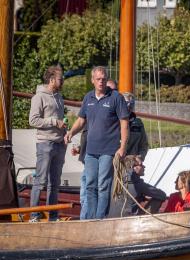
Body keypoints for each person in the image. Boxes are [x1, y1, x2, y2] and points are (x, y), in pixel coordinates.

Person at [65, 66, 129, 219]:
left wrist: (123, 147)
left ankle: (100, 219)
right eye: (98, 79)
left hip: (108, 150)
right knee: (90, 185)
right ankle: (91, 219)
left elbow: (124, 123)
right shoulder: (88, 98)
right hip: (90, 150)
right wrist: (71, 132)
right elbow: (81, 120)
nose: (101, 82)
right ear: (92, 80)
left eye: (104, 79)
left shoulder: (116, 97)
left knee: (103, 185)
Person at [28, 65, 67, 222]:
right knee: (41, 181)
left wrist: (65, 133)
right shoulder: (39, 97)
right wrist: (53, 122)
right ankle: (33, 216)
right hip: (45, 144)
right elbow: (33, 120)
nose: (63, 81)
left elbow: (60, 121)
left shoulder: (59, 97)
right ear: (51, 80)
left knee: (55, 183)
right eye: (60, 78)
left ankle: (53, 216)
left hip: (59, 144)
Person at [122, 93, 149, 159]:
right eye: (126, 103)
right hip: (117, 162)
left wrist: (139, 158)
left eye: (132, 103)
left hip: (133, 161)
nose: (129, 105)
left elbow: (144, 145)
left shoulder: (138, 123)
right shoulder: (113, 122)